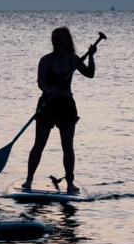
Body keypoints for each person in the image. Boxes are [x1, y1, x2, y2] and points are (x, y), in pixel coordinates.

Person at [22, 27, 98, 194]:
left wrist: (91, 56)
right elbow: (40, 81)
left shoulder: (73, 59)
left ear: (67, 42)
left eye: (61, 41)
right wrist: (48, 90)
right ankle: (28, 180)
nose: (58, 44)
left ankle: (70, 183)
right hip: (47, 104)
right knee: (39, 144)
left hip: (66, 105)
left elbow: (90, 74)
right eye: (55, 41)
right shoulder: (46, 60)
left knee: (67, 146)